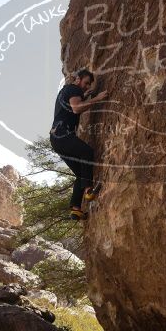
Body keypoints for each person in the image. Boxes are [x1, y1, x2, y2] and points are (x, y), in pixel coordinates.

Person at [49, 68, 108, 220]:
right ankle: (88, 191)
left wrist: (84, 97)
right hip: (63, 135)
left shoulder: (65, 91)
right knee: (87, 152)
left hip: (56, 138)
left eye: (89, 85)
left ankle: (75, 209)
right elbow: (76, 108)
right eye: (86, 83)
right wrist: (97, 98)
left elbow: (72, 105)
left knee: (81, 174)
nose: (87, 87)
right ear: (78, 80)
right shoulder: (73, 88)